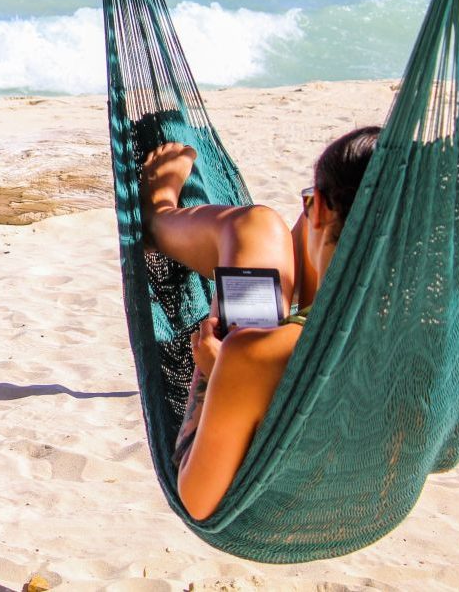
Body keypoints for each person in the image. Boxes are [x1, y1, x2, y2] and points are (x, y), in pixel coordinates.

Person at [139, 125, 379, 521]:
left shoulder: (252, 355)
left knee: (257, 228)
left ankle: (159, 216)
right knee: (272, 239)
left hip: (260, 496)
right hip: (374, 502)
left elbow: (199, 500)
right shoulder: (433, 330)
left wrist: (220, 374)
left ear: (316, 207)